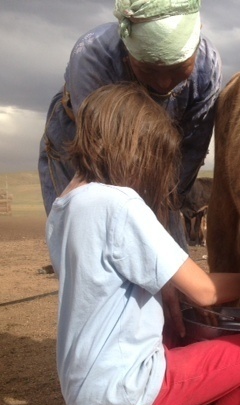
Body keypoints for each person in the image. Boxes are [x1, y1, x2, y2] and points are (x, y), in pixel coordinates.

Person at [46, 83, 240, 405]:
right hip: (123, 392)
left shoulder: (63, 208)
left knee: (179, 328)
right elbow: (204, 289)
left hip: (81, 388)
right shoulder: (119, 204)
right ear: (135, 149)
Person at [38, 0, 222, 249]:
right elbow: (104, 169)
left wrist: (166, 200)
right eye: (149, 69)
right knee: (92, 244)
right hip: (87, 154)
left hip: (163, 164)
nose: (164, 82)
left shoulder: (207, 69)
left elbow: (191, 150)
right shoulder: (93, 57)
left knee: (167, 249)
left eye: (178, 68)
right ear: (127, 52)